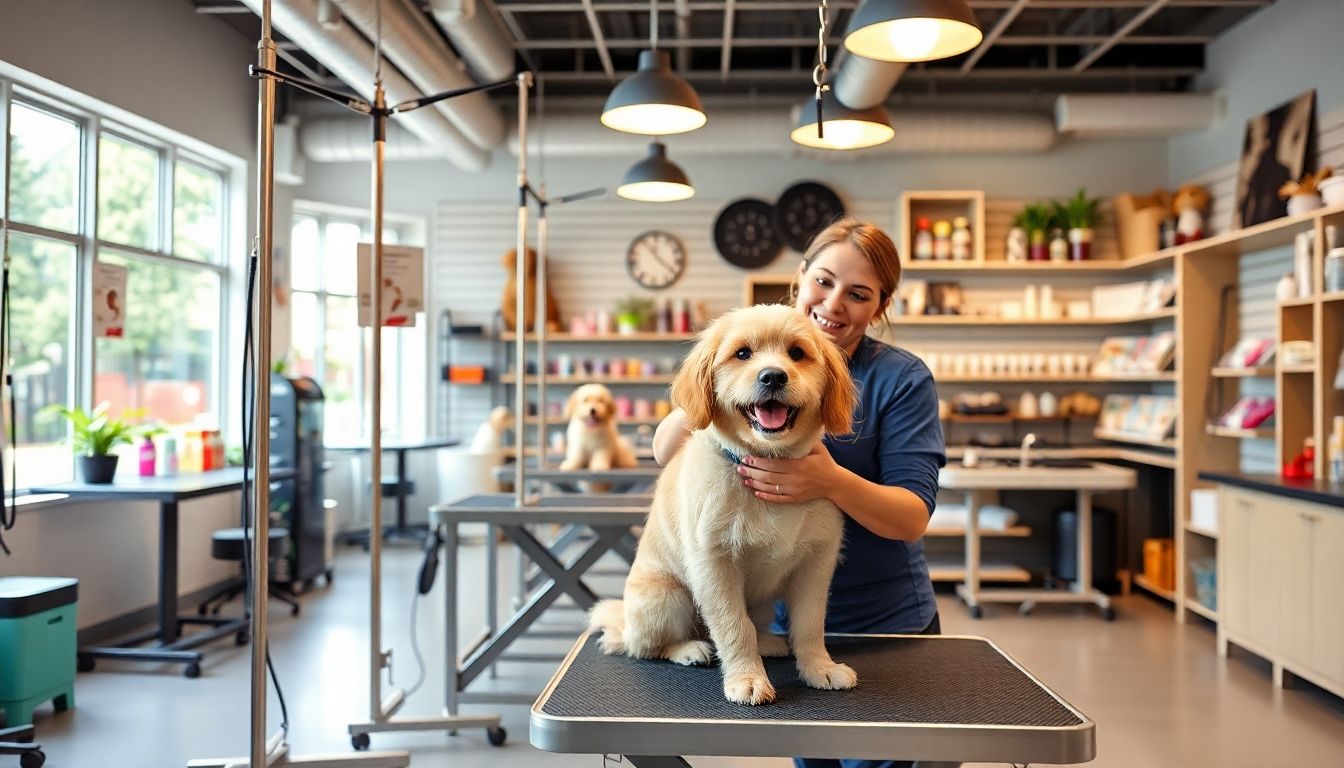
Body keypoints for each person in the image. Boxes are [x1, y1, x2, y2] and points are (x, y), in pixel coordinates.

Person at [652, 218, 947, 768]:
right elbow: (665, 447)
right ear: (801, 275)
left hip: (884, 625)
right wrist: (722, 372)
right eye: (825, 281)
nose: (834, 304)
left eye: (859, 294)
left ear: (879, 306)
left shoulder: (903, 379)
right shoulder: (750, 355)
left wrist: (829, 479)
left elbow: (911, 518)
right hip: (782, 627)